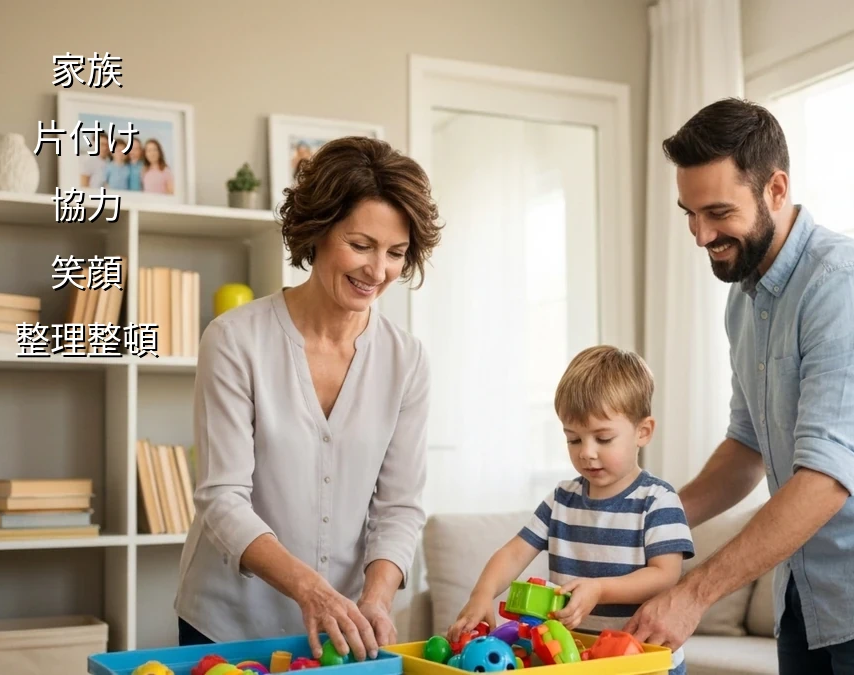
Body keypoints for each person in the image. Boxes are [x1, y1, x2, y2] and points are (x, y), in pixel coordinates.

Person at [624, 97, 854, 674]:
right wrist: (652, 519)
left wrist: (693, 593)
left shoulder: (845, 286)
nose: (700, 234)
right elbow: (747, 447)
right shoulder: (745, 297)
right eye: (689, 212)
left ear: (776, 189)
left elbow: (826, 479)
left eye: (717, 212)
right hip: (804, 592)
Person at [175, 136, 443, 663]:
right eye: (361, 245)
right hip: (228, 625)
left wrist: (377, 598)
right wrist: (312, 591)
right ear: (317, 230)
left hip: (343, 631)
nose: (378, 271)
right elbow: (222, 498)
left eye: (396, 253)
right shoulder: (235, 340)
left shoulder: (406, 360)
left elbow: (398, 508)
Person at [447, 345, 695, 675]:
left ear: (643, 432)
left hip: (642, 661)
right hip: (573, 659)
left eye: (603, 439)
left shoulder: (658, 500)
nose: (587, 453)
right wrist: (483, 595)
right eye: (574, 439)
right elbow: (514, 553)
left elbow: (665, 574)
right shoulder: (561, 499)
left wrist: (600, 589)